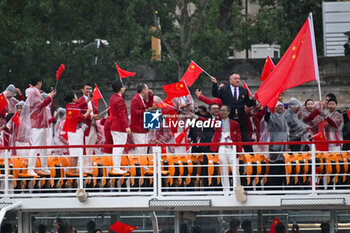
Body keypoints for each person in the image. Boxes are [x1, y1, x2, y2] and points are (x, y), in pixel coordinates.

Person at [211, 73, 256, 152]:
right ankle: (229, 157)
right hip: (228, 119)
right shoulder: (224, 89)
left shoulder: (243, 90)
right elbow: (215, 94)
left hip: (241, 119)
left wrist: (254, 99)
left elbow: (248, 103)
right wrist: (215, 84)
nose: (238, 80)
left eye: (239, 78)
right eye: (235, 79)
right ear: (230, 80)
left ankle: (251, 158)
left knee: (245, 139)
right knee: (228, 138)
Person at [21, 77, 56, 176]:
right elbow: (40, 105)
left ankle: (44, 167)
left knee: (43, 146)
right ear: (39, 83)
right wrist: (49, 97)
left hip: (42, 123)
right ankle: (30, 168)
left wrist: (49, 97)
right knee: (36, 146)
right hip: (37, 124)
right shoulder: (33, 92)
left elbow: (42, 104)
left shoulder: (36, 92)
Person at [210, 105, 242, 191]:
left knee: (235, 169)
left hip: (233, 147)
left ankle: (237, 189)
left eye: (224, 110)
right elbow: (205, 120)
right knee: (223, 169)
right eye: (221, 110)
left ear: (228, 112)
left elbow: (239, 138)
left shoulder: (235, 123)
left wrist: (239, 151)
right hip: (222, 147)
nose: (222, 112)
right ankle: (226, 190)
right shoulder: (216, 123)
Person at [64, 92, 92, 173]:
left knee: (77, 152)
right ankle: (73, 170)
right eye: (76, 97)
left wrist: (87, 100)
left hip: (75, 132)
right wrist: (88, 112)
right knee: (74, 153)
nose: (77, 98)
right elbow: (81, 118)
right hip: (74, 132)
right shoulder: (72, 108)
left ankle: (75, 169)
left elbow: (79, 105)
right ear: (73, 99)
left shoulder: (71, 106)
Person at [76, 83, 100, 173]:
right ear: (82, 90)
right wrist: (91, 116)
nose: (88, 90)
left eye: (90, 89)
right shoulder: (80, 100)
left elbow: (96, 111)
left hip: (93, 126)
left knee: (91, 148)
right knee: (84, 148)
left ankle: (88, 166)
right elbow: (79, 111)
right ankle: (82, 166)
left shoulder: (92, 101)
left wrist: (97, 116)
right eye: (86, 89)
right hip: (85, 127)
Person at [265, 102, 288, 188]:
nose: (281, 108)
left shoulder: (283, 117)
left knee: (281, 168)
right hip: (275, 146)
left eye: (282, 106)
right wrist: (268, 111)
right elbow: (266, 118)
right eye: (278, 106)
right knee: (274, 168)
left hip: (283, 147)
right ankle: (271, 188)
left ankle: (280, 187)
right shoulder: (272, 116)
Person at [110, 81, 131, 174]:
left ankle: (116, 166)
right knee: (119, 147)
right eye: (122, 87)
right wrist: (126, 126)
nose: (124, 88)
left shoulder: (112, 98)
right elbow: (122, 114)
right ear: (120, 88)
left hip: (114, 125)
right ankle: (116, 167)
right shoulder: (119, 100)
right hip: (119, 126)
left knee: (116, 146)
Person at [130, 83, 156, 155]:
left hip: (144, 127)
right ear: (143, 90)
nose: (148, 90)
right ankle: (138, 164)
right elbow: (134, 112)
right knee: (140, 149)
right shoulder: (135, 99)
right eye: (147, 89)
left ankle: (143, 164)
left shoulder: (142, 99)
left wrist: (151, 96)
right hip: (138, 128)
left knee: (144, 149)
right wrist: (146, 111)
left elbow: (149, 106)